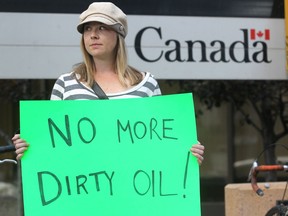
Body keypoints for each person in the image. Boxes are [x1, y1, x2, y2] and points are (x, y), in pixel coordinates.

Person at [12, 2, 204, 164]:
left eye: (101, 28)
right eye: (87, 29)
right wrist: (28, 147)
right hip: (82, 195)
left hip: (134, 194)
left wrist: (187, 153)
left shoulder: (146, 83)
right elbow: (51, 143)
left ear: (118, 34)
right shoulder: (66, 84)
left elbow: (161, 144)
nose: (93, 35)